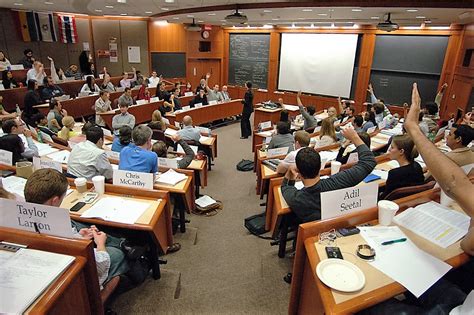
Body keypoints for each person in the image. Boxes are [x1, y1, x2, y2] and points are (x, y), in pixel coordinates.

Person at [23, 168, 130, 290]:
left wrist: (79, 237)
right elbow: (100, 264)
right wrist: (100, 244)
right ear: (55, 200)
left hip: (41, 265)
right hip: (68, 274)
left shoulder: (21, 217)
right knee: (117, 255)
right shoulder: (58, 227)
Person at [281, 127, 376, 223]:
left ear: (299, 173)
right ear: (319, 167)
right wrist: (354, 137)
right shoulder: (337, 182)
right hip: (342, 225)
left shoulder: (297, 198)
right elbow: (369, 162)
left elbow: (285, 187)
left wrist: (289, 173)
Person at [379, 134, 425, 199]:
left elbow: (385, 197)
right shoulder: (417, 166)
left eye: (392, 147)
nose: (389, 150)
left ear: (401, 151)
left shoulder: (394, 173)